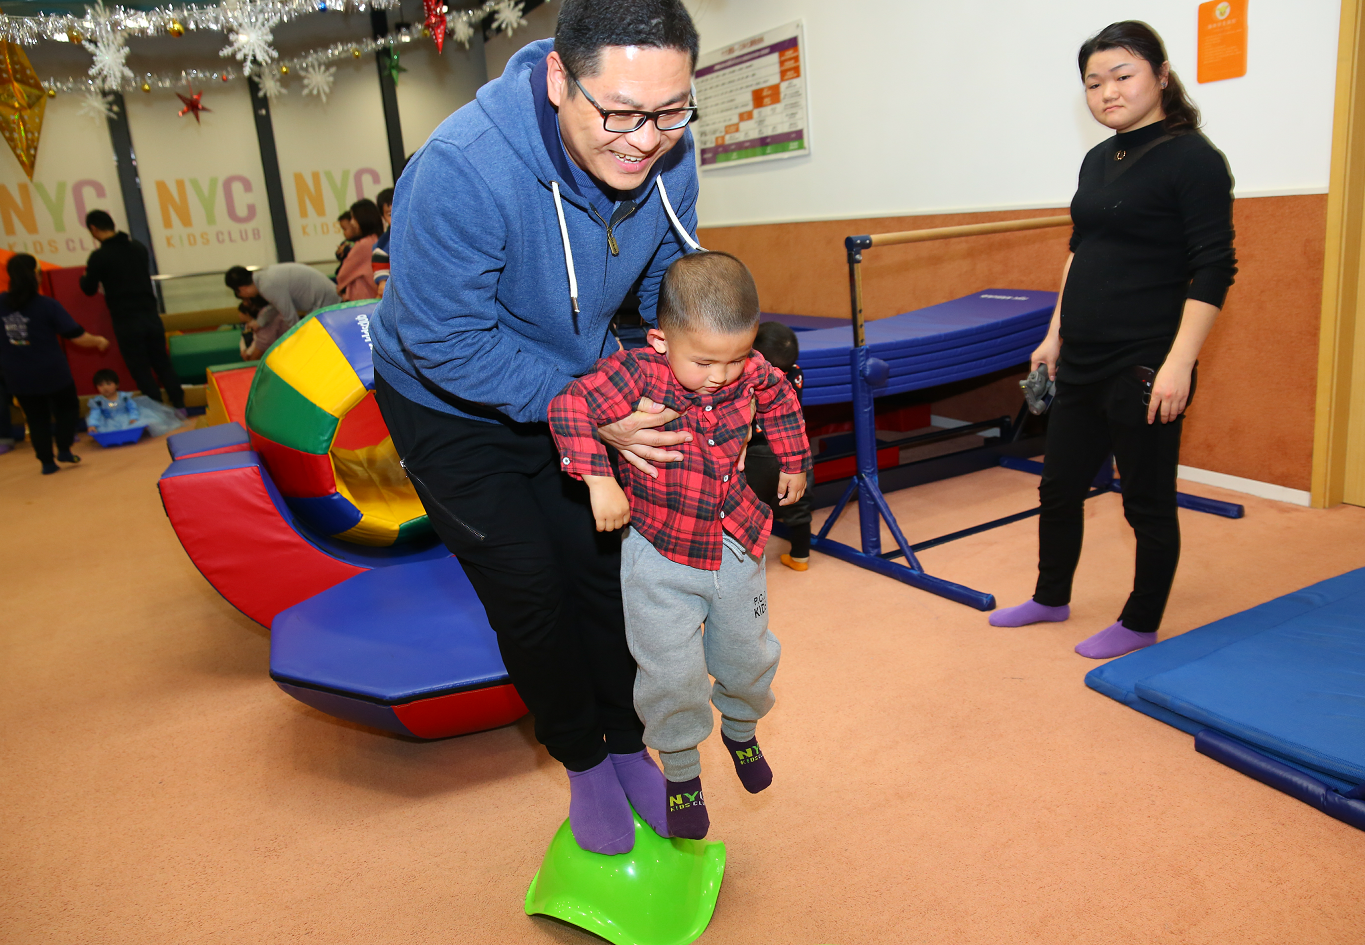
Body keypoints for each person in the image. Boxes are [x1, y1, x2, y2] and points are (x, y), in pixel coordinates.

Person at [369, 0, 706, 855]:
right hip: (451, 403)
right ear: (559, 78)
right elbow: (445, 342)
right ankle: (582, 761)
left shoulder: (670, 146)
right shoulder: (462, 168)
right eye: (621, 113)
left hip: (577, 378)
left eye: (671, 110)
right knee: (530, 593)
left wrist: (690, 363)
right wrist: (603, 405)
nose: (646, 138)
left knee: (599, 577)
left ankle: (628, 742)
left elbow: (667, 270)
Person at [988, 21, 1237, 660]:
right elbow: (1082, 252)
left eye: (1122, 76)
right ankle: (1050, 597)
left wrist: (1181, 362)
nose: (1107, 92)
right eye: (1094, 82)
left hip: (1147, 360)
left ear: (1160, 74)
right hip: (1084, 356)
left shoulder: (1193, 158)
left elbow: (1214, 266)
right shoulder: (1100, 158)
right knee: (1058, 487)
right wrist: (1053, 336)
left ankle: (1141, 619)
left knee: (1145, 501)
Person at [550, 252, 809, 840]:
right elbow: (569, 406)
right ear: (661, 340)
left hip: (735, 541)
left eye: (736, 358)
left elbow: (780, 397)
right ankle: (683, 773)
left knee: (748, 657)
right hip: (659, 553)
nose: (721, 376)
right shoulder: (640, 372)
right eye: (704, 362)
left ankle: (741, 731)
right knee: (669, 672)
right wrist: (598, 478)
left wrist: (793, 459)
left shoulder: (748, 368)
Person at [0, 253, 109, 474]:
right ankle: (64, 449)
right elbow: (75, 335)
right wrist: (98, 340)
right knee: (67, 409)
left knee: (36, 418)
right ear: (36, 276)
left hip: (18, 375)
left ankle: (47, 463)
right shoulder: (46, 305)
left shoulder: (1, 303)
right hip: (52, 372)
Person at [79, 210, 185, 414]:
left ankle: (158, 410)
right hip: (150, 313)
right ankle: (179, 405)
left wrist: (86, 275)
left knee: (140, 367)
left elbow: (88, 288)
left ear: (93, 229)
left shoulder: (99, 257)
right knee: (162, 361)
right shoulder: (138, 247)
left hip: (126, 318)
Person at [744, 321, 814, 571]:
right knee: (798, 506)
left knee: (752, 508)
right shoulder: (796, 372)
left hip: (759, 453)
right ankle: (800, 557)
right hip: (795, 450)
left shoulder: (753, 378)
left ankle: (750, 565)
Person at [225, 263, 340, 360]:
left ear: (241, 289)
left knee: (312, 342)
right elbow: (275, 308)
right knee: (310, 339)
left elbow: (290, 317)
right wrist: (259, 323)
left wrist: (297, 343)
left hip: (325, 300)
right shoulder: (263, 278)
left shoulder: (267, 285)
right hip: (323, 298)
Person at [336, 199, 382, 301]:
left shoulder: (363, 245)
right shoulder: (379, 239)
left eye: (353, 218)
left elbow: (342, 275)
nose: (351, 223)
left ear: (362, 218)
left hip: (363, 301)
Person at [86, 368, 140, 433]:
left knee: (136, 424)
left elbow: (132, 408)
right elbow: (95, 414)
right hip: (108, 422)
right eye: (100, 385)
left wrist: (133, 418)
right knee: (101, 429)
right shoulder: (98, 401)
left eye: (108, 384)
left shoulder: (123, 397)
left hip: (127, 418)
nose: (105, 388)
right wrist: (92, 424)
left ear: (117, 385)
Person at [371, 188, 394, 296]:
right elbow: (382, 286)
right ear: (383, 217)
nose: (395, 217)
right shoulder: (383, 245)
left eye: (399, 210)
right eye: (390, 214)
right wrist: (383, 283)